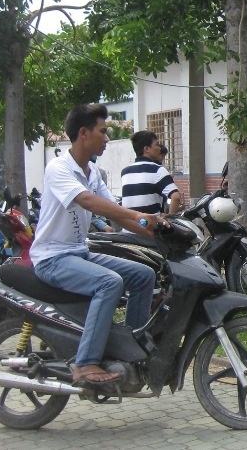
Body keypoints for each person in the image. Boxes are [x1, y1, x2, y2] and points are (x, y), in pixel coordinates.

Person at [32, 104, 161, 386]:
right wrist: (139, 216)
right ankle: (85, 363)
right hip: (52, 258)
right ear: (83, 133)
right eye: (103, 132)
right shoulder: (58, 168)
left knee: (144, 275)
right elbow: (87, 201)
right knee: (109, 283)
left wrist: (159, 234)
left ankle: (130, 347)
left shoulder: (93, 172)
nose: (107, 138)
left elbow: (113, 212)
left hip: (78, 253)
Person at [121, 130, 182, 215]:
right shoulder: (157, 170)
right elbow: (176, 197)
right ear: (146, 149)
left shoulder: (125, 172)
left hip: (129, 226)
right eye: (156, 144)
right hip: (151, 226)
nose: (159, 148)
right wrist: (169, 220)